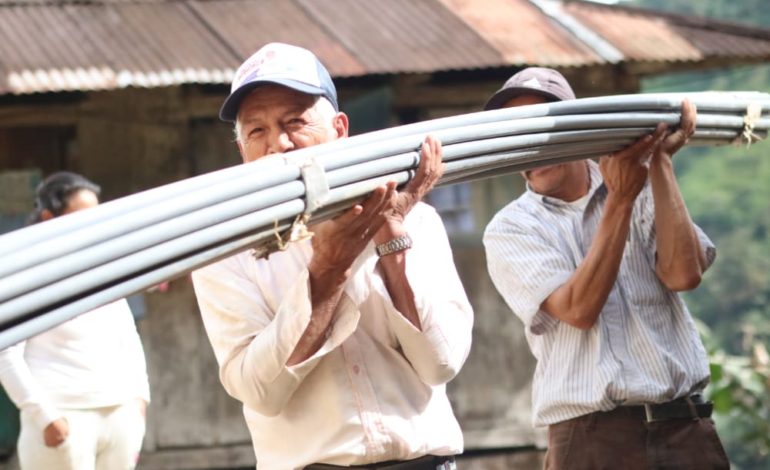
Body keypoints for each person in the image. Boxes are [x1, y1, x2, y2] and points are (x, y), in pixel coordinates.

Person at [191, 43, 473, 470]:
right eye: (257, 131)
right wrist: (328, 269)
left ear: (340, 130)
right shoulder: (223, 252)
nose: (279, 145)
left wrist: (390, 235)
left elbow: (442, 363)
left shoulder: (417, 220)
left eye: (295, 122)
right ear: (242, 152)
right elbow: (260, 392)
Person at [482, 68, 729, 469]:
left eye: (539, 129)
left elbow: (685, 275)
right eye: (515, 135)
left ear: (578, 131)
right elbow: (579, 310)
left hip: (683, 428)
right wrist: (621, 199)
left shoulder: (640, 182)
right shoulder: (512, 228)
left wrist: (660, 164)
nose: (530, 147)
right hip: (591, 440)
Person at [0, 171, 151, 470]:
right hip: (63, 417)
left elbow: (127, 333)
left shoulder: (103, 268)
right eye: (80, 216)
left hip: (119, 414)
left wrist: (139, 400)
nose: (91, 225)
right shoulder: (27, 275)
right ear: (48, 217)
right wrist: (44, 416)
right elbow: (6, 352)